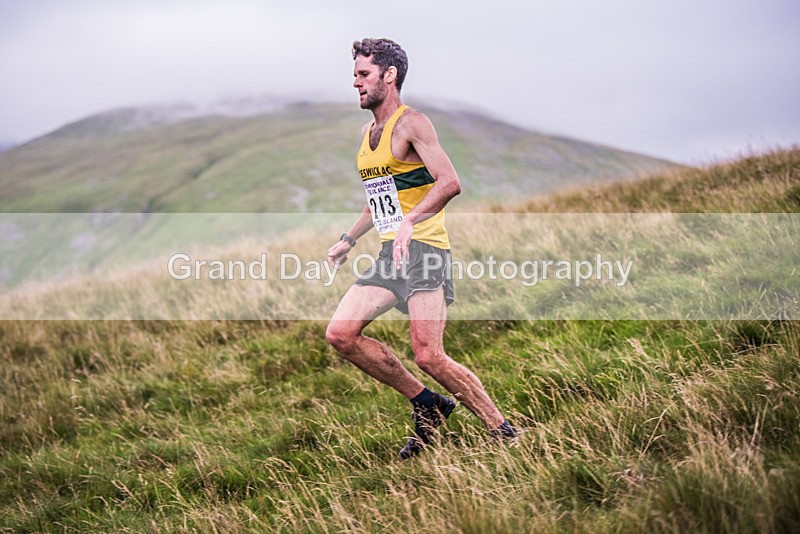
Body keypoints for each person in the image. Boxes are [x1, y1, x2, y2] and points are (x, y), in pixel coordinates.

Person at [326, 38, 519, 459]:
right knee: (340, 334)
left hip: (425, 251)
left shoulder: (413, 123)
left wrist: (410, 222)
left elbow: (450, 182)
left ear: (388, 75)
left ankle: (502, 430)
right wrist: (348, 238)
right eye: (355, 75)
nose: (355, 83)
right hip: (389, 255)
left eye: (364, 74)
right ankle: (428, 404)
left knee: (429, 355)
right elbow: (380, 197)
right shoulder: (367, 133)